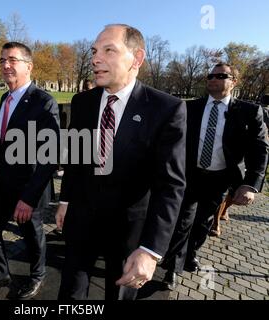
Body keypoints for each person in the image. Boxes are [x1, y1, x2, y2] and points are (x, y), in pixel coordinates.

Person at [55, 24, 187, 300]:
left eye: (108, 50)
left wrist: (151, 250)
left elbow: (170, 185)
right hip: (81, 220)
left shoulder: (167, 108)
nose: (95, 58)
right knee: (69, 292)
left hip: (129, 231)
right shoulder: (82, 102)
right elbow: (76, 159)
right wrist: (65, 200)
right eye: (94, 51)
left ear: (137, 59)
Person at [162, 63, 269, 289]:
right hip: (189, 175)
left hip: (220, 178)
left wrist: (251, 184)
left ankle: (190, 254)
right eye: (210, 75)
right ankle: (172, 267)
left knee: (204, 222)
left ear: (234, 82)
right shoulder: (189, 108)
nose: (213, 79)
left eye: (220, 76)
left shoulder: (249, 112)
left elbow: (260, 148)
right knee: (183, 220)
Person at [0, 42, 60, 300]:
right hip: (3, 183)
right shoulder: (5, 98)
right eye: (2, 60)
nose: (5, 65)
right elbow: (5, 143)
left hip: (29, 189)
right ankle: (0, 275)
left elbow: (49, 157)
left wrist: (29, 198)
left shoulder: (44, 102)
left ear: (29, 66)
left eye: (12, 60)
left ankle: (37, 276)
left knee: (32, 238)